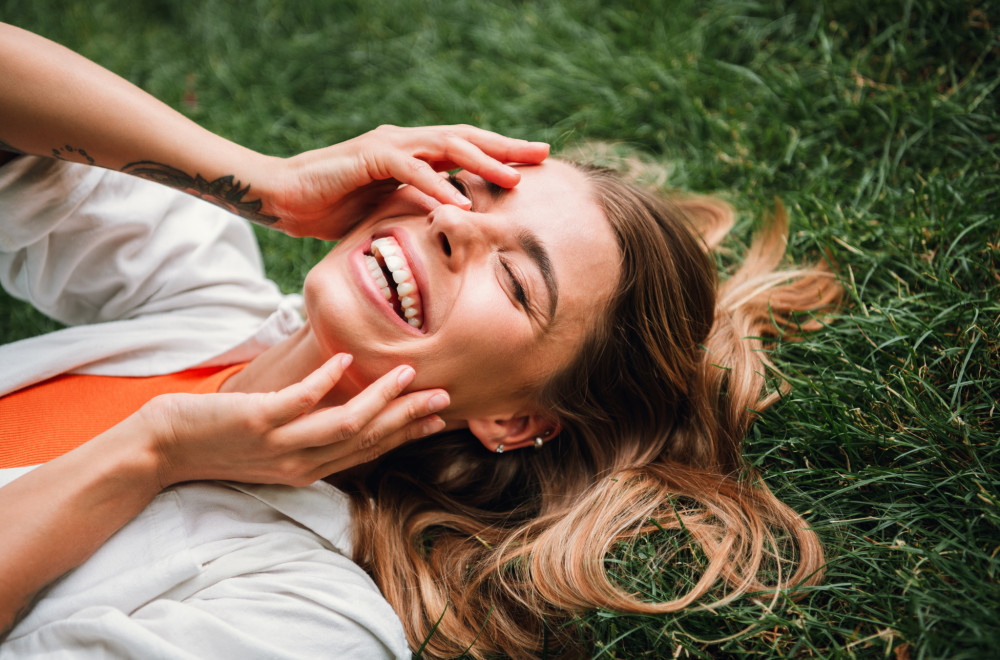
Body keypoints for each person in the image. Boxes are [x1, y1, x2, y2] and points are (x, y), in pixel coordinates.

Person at [0, 23, 841, 659]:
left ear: (516, 420)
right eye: (465, 190)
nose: (447, 224)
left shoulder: (304, 617)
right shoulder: (207, 296)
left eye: (517, 282)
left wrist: (153, 452)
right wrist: (270, 182)